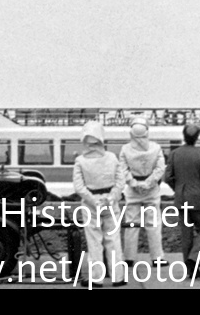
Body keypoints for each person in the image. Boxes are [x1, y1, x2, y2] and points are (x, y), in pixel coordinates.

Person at [72, 121, 125, 286]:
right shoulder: (112, 158)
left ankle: (96, 279)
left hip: (90, 205)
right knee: (113, 240)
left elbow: (79, 188)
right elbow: (120, 182)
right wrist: (111, 198)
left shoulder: (80, 161)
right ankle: (118, 278)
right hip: (111, 203)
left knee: (94, 241)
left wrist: (93, 201)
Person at [163, 122, 200, 277]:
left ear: (184, 136)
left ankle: (190, 270)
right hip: (199, 199)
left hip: (181, 199)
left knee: (186, 234)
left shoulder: (174, 153)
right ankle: (195, 258)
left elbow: (168, 177)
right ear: (197, 138)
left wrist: (177, 189)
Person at [116, 118, 166, 265]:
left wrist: (134, 183)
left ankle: (129, 258)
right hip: (151, 190)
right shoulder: (156, 148)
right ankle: (157, 258)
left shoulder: (125, 149)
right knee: (154, 224)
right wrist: (148, 183)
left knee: (131, 223)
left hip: (132, 190)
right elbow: (160, 169)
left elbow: (122, 170)